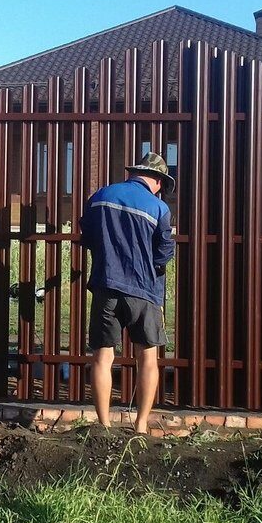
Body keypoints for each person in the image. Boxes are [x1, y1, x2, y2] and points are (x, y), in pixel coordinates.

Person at [78, 152, 176, 434]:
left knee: (102, 356)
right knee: (147, 357)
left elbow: (88, 236)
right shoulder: (158, 209)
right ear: (157, 181)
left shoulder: (100, 196)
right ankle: (141, 425)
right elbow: (164, 253)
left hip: (106, 285)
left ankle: (104, 425)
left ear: (134, 173)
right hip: (143, 291)